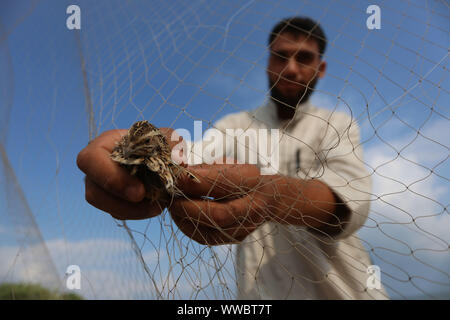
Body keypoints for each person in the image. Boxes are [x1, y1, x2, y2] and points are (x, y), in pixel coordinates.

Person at [77, 17, 388, 299]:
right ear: (268, 63)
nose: (291, 68)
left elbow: (354, 198)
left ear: (320, 68)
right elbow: (191, 160)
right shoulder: (235, 126)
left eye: (304, 58)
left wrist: (273, 197)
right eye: (281, 56)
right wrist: (143, 153)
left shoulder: (336, 124)